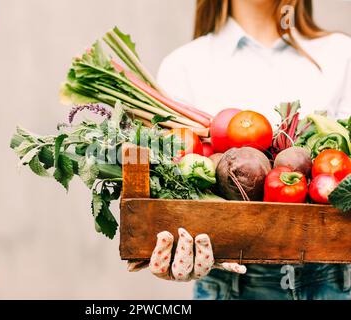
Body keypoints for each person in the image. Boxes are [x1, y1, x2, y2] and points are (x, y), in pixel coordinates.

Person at [129, 0, 351, 300]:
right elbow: (172, 196)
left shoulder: (341, 55)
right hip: (227, 286)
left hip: (333, 282)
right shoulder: (183, 65)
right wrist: (170, 243)